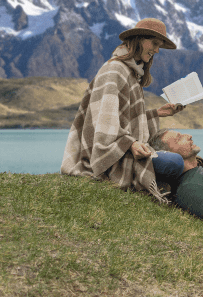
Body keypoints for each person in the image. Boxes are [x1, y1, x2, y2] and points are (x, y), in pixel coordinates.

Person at [61, 18, 188, 201]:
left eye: (159, 46)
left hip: (122, 149)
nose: (157, 51)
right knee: (173, 162)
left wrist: (157, 113)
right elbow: (104, 124)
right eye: (154, 43)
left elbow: (123, 119)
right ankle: (171, 194)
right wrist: (131, 144)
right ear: (139, 39)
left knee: (179, 158)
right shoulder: (114, 70)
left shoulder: (131, 72)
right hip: (109, 157)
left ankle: (177, 193)